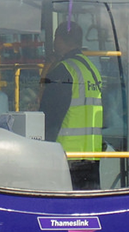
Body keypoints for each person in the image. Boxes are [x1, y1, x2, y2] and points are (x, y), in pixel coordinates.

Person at [39, 21, 103, 190]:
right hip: (91, 153)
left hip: (65, 155)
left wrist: (43, 150)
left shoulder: (63, 70)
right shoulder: (91, 69)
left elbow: (49, 117)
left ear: (59, 39)